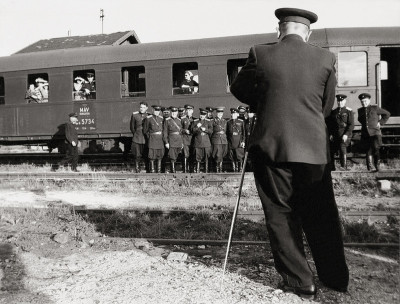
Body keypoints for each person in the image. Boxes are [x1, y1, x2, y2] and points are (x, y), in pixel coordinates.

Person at [230, 7, 349, 298]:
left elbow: (238, 89)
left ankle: (300, 281)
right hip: (313, 149)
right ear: (307, 32)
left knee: (281, 213)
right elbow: (326, 105)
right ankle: (335, 279)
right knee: (321, 213)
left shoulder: (260, 53)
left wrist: (267, 99)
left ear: (279, 29)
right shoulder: (325, 58)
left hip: (272, 147)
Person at [357, 93, 390, 172]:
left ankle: (377, 167)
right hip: (366, 133)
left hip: (375, 132)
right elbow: (360, 120)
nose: (363, 103)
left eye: (365, 101)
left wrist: (380, 122)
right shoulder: (360, 110)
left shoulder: (375, 108)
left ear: (369, 100)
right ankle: (369, 168)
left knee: (375, 148)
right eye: (362, 102)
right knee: (368, 150)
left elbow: (387, 114)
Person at [327, 94, 354, 170]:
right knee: (332, 150)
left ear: (345, 101)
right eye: (338, 101)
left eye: (341, 101)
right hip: (335, 134)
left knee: (342, 148)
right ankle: (332, 167)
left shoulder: (349, 111)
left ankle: (343, 166)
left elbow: (351, 125)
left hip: (345, 134)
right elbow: (331, 124)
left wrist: (346, 134)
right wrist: (331, 134)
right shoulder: (334, 112)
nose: (340, 103)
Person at [144, 105, 165, 173]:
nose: (157, 112)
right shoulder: (148, 118)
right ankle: (152, 170)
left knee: (159, 155)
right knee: (152, 155)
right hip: (152, 139)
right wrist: (150, 137)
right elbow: (145, 131)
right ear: (153, 110)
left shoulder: (162, 118)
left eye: (158, 110)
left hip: (160, 140)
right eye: (156, 110)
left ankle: (158, 170)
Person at [163, 107, 183, 173]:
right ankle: (173, 171)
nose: (174, 113)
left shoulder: (179, 120)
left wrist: (182, 142)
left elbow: (181, 132)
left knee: (176, 155)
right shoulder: (167, 120)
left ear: (177, 113)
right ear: (171, 113)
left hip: (178, 140)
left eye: (175, 112)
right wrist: (166, 142)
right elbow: (165, 132)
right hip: (171, 140)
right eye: (173, 112)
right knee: (172, 156)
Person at [191, 108, 212, 173]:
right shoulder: (195, 121)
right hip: (198, 143)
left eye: (203, 115)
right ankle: (197, 172)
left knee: (206, 158)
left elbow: (211, 131)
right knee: (198, 158)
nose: (202, 116)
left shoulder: (208, 121)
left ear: (205, 115)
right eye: (201, 114)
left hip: (206, 143)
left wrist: (205, 130)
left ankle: (206, 172)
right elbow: (192, 131)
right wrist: (197, 127)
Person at [130, 101, 149, 173]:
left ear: (146, 108)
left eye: (144, 107)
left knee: (146, 155)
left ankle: (148, 169)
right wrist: (136, 134)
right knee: (137, 155)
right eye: (141, 107)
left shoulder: (149, 115)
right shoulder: (134, 115)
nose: (142, 109)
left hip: (146, 138)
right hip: (137, 138)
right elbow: (132, 127)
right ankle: (137, 170)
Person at [226, 108, 246, 172]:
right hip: (231, 142)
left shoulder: (241, 122)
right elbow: (227, 133)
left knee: (239, 157)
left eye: (234, 114)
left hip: (238, 142)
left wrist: (243, 141)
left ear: (237, 114)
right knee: (232, 157)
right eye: (232, 113)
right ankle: (235, 169)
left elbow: (243, 133)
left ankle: (240, 169)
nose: (233, 115)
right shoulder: (228, 122)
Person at [211, 107, 228, 172]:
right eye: (218, 113)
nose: (220, 114)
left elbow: (225, 131)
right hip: (216, 140)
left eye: (221, 113)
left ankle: (220, 169)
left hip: (223, 140)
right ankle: (217, 170)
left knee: (222, 154)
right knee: (217, 155)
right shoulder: (213, 121)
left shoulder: (224, 121)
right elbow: (211, 131)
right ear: (216, 113)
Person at [181, 104, 196, 173]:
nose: (188, 111)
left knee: (192, 155)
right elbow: (179, 129)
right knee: (185, 155)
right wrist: (184, 130)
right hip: (185, 139)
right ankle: (185, 170)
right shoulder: (182, 119)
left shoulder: (195, 119)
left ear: (192, 111)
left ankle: (192, 170)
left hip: (193, 140)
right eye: (187, 110)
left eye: (190, 110)